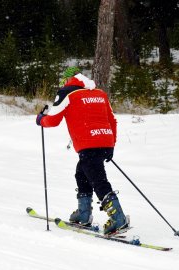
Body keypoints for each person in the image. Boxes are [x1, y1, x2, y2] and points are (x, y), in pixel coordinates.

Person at [36, 67, 129, 235]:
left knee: (98, 180)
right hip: (105, 140)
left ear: (67, 79)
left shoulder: (67, 93)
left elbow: (54, 120)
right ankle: (84, 213)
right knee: (82, 173)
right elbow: (112, 120)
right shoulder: (100, 93)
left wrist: (41, 119)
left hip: (89, 142)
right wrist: (111, 144)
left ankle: (118, 217)